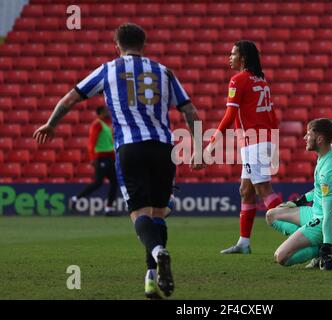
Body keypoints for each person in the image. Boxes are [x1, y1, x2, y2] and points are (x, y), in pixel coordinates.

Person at [33, 23, 204, 299]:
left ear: (117, 45)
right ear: (144, 44)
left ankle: (158, 253)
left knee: (139, 214)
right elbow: (191, 111)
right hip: (163, 148)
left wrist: (51, 124)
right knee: (159, 213)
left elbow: (70, 98)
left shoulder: (108, 69)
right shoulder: (164, 71)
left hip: (130, 149)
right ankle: (151, 278)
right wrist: (198, 148)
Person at [205, 40, 282, 254]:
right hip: (261, 140)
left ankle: (302, 231)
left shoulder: (238, 80)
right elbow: (273, 117)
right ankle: (244, 243)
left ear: (243, 58)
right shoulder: (262, 81)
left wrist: (212, 144)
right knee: (246, 191)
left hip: (254, 142)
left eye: (233, 54)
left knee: (263, 190)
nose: (229, 58)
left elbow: (230, 116)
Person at [265, 118, 332, 270]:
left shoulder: (328, 173)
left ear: (320, 139)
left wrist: (326, 245)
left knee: (281, 257)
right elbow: (320, 190)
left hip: (327, 219)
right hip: (315, 211)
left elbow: (328, 213)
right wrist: (297, 202)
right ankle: (319, 244)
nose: (305, 138)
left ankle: (330, 247)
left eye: (308, 134)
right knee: (271, 215)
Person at [70, 106, 118, 215]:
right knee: (98, 183)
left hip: (109, 158)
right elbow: (92, 142)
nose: (108, 113)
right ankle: (75, 198)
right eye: (106, 111)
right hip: (102, 157)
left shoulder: (105, 125)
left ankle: (109, 208)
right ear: (101, 113)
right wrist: (92, 158)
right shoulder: (97, 125)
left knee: (114, 182)